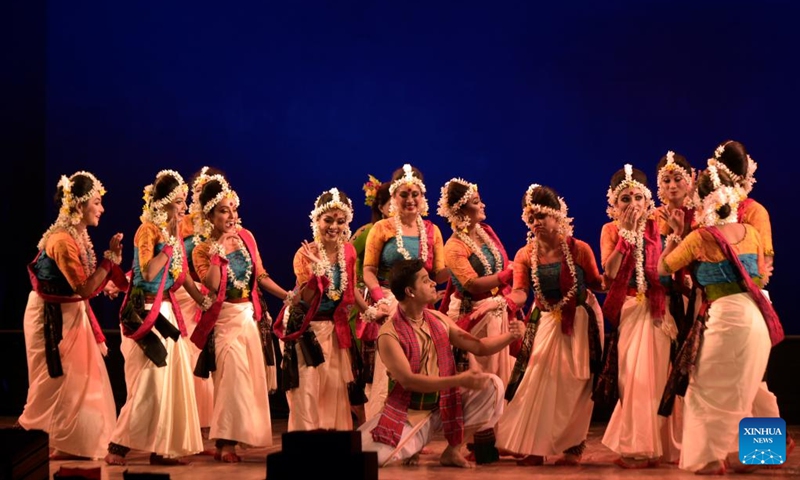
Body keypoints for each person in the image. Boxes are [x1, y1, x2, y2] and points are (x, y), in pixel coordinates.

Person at [657, 164, 784, 474]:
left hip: (727, 317)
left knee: (703, 389)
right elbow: (763, 272)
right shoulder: (752, 231)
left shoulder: (700, 238)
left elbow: (664, 269)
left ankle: (709, 459)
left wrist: (674, 235)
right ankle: (761, 454)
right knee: (750, 387)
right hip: (756, 317)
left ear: (701, 203)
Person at [358, 259, 524, 468]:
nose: (434, 284)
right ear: (410, 291)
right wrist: (458, 379)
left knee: (492, 386)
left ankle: (451, 452)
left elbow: (479, 346)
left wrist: (511, 336)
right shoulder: (389, 334)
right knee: (373, 460)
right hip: (408, 414)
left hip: (444, 406)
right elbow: (408, 381)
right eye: (426, 281)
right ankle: (412, 445)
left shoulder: (437, 319)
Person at [105, 169, 210, 466]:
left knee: (170, 382)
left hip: (167, 311)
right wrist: (167, 247)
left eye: (185, 201)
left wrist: (202, 298)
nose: (185, 207)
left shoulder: (172, 233)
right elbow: (149, 272)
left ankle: (162, 449)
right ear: (164, 202)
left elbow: (181, 273)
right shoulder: (148, 231)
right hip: (144, 311)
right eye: (179, 201)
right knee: (150, 381)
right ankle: (118, 446)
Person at [18, 171, 126, 460]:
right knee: (58, 382)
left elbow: (85, 285)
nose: (101, 209)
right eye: (97, 202)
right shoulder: (62, 240)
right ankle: (38, 446)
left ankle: (72, 443)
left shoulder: (77, 235)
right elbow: (83, 288)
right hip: (52, 316)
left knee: (81, 382)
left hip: (71, 311)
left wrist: (108, 281)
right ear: (79, 206)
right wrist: (110, 261)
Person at [495, 184, 604, 466]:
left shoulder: (579, 249)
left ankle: (573, 447)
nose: (537, 222)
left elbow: (596, 283)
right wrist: (507, 304)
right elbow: (520, 291)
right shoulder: (524, 254)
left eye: (542, 215)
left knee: (575, 386)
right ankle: (534, 446)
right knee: (535, 382)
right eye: (531, 217)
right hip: (544, 320)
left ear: (559, 216)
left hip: (579, 320)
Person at [190, 173, 287, 462]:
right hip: (223, 320)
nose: (231, 215)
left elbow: (261, 275)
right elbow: (210, 283)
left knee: (248, 380)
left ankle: (237, 438)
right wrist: (220, 252)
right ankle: (224, 443)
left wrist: (287, 296)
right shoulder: (203, 248)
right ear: (209, 215)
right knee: (231, 379)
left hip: (248, 316)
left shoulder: (247, 237)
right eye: (223, 210)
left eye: (233, 209)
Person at [708, 141, 790, 458]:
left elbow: (763, 265)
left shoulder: (754, 211)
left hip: (749, 300)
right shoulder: (712, 209)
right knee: (734, 379)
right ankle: (729, 449)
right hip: (719, 302)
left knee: (754, 379)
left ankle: (766, 450)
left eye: (721, 176)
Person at [594, 164, 676, 469]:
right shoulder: (611, 230)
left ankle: (650, 448)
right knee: (633, 378)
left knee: (654, 379)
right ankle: (639, 444)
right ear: (614, 206)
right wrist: (626, 238)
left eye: (638, 197)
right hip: (630, 310)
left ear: (648, 200)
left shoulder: (660, 225)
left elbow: (672, 264)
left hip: (659, 310)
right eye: (625, 199)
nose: (633, 205)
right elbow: (611, 272)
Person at [273, 188, 367, 431]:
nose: (334, 226)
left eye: (340, 220)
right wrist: (317, 274)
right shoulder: (305, 253)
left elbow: (350, 289)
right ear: (316, 220)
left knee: (333, 389)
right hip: (305, 326)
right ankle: (305, 445)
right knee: (306, 389)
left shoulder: (348, 251)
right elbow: (304, 299)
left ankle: (331, 446)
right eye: (328, 220)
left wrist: (370, 311)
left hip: (334, 327)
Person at [361, 164, 449, 420]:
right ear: (394, 197)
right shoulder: (382, 228)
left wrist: (459, 267)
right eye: (403, 194)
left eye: (415, 195)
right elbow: (368, 271)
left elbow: (438, 274)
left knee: (421, 366)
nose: (410, 200)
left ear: (423, 197)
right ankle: (383, 428)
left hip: (421, 308)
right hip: (390, 304)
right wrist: (381, 300)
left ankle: (414, 433)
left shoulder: (433, 231)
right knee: (390, 369)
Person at [436, 177, 514, 386]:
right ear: (460, 210)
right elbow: (472, 284)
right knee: (479, 377)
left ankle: (497, 418)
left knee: (499, 376)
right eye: (476, 202)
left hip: (496, 307)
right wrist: (507, 275)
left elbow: (502, 261)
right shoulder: (453, 246)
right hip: (472, 313)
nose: (482, 205)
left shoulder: (486, 231)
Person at [653, 150, 697, 463]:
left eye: (677, 178)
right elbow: (656, 265)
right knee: (667, 375)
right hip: (664, 303)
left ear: (691, 180)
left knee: (702, 372)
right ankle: (672, 448)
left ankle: (767, 447)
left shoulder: (705, 215)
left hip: (701, 303)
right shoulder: (654, 218)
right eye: (666, 180)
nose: (672, 185)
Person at [348, 176, 392, 426]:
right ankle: (367, 421)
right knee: (368, 369)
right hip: (367, 303)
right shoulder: (368, 233)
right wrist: (365, 306)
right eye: (391, 203)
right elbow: (350, 270)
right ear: (382, 206)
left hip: (396, 302)